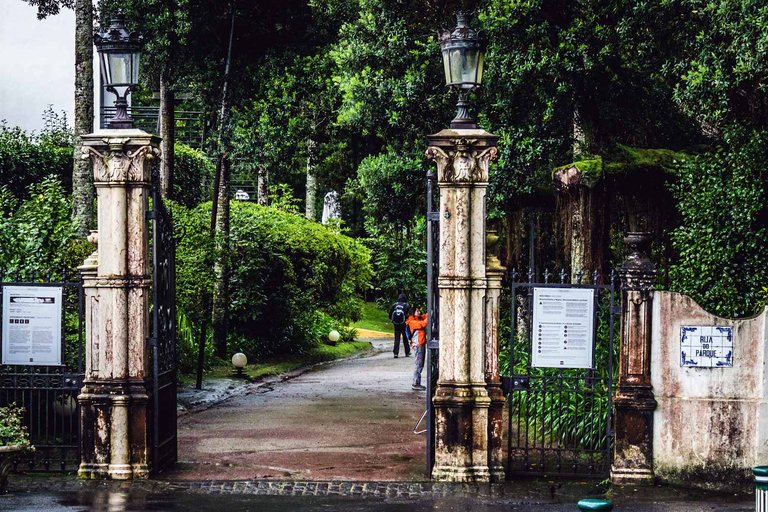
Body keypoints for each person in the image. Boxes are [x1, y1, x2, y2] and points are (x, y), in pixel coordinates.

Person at [406, 307, 428, 391]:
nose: (419, 312)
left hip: (421, 344)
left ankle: (417, 382)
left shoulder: (418, 319)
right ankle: (415, 383)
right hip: (418, 345)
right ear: (413, 313)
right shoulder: (412, 322)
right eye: (417, 311)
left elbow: (424, 317)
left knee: (420, 364)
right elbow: (423, 324)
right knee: (418, 364)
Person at [389, 294, 411, 358]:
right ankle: (407, 352)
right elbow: (409, 315)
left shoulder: (394, 305)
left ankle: (396, 353)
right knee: (405, 338)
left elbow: (390, 315)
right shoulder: (406, 305)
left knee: (397, 338)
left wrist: (393, 321)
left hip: (396, 324)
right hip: (404, 324)